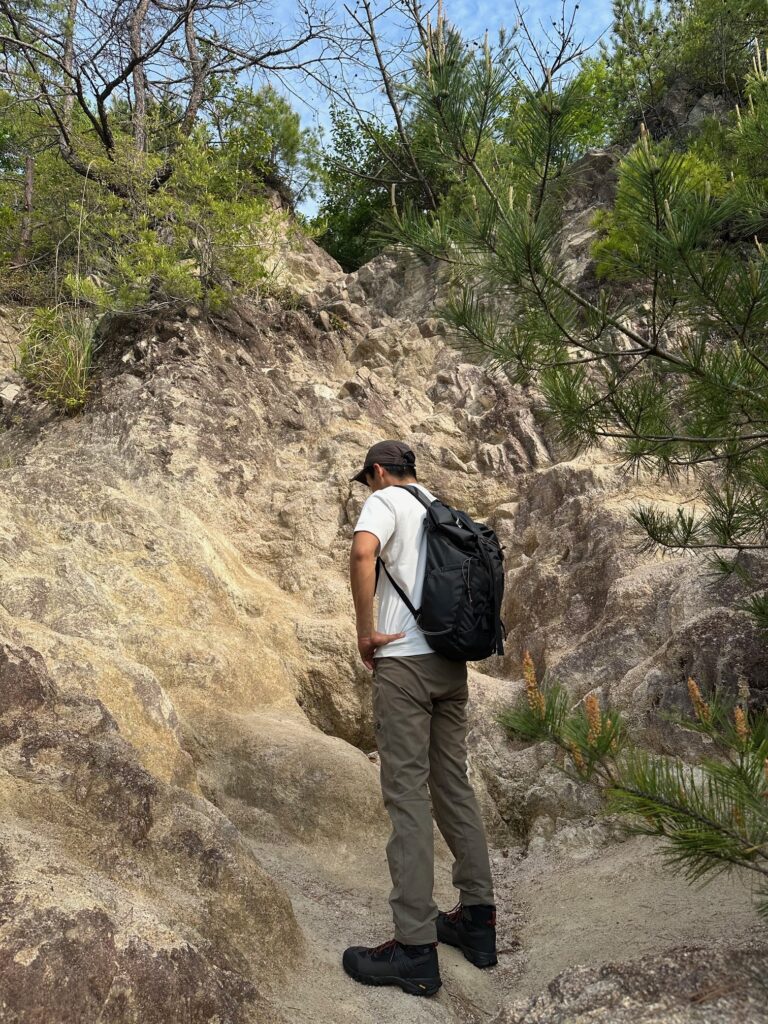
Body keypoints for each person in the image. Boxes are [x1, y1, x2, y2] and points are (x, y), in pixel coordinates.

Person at [343, 439, 496, 998]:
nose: (369, 486)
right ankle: (478, 924)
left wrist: (365, 631)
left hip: (404, 665)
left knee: (406, 795)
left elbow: (363, 554)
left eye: (368, 478)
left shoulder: (384, 501)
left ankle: (414, 949)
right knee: (453, 786)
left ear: (379, 472)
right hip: (450, 664)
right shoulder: (438, 506)